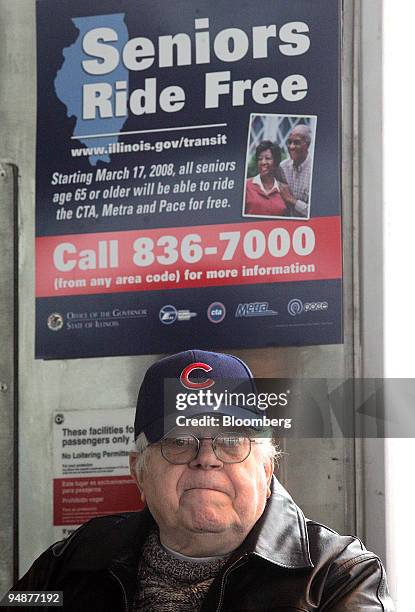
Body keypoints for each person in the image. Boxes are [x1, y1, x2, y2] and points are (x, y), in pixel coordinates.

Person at [7, 350, 394, 611]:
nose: (206, 459)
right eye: (178, 441)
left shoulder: (336, 577)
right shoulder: (73, 560)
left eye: (229, 442)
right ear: (138, 470)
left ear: (266, 466)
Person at [244, 140, 289, 217]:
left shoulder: (284, 189)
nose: (263, 162)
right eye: (260, 159)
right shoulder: (246, 186)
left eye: (267, 158)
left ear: (276, 162)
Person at [280, 124, 313, 217]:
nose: (291, 147)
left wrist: (291, 200)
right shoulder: (282, 167)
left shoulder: (314, 170)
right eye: (289, 142)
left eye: (296, 143)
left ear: (307, 145)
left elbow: (316, 212)